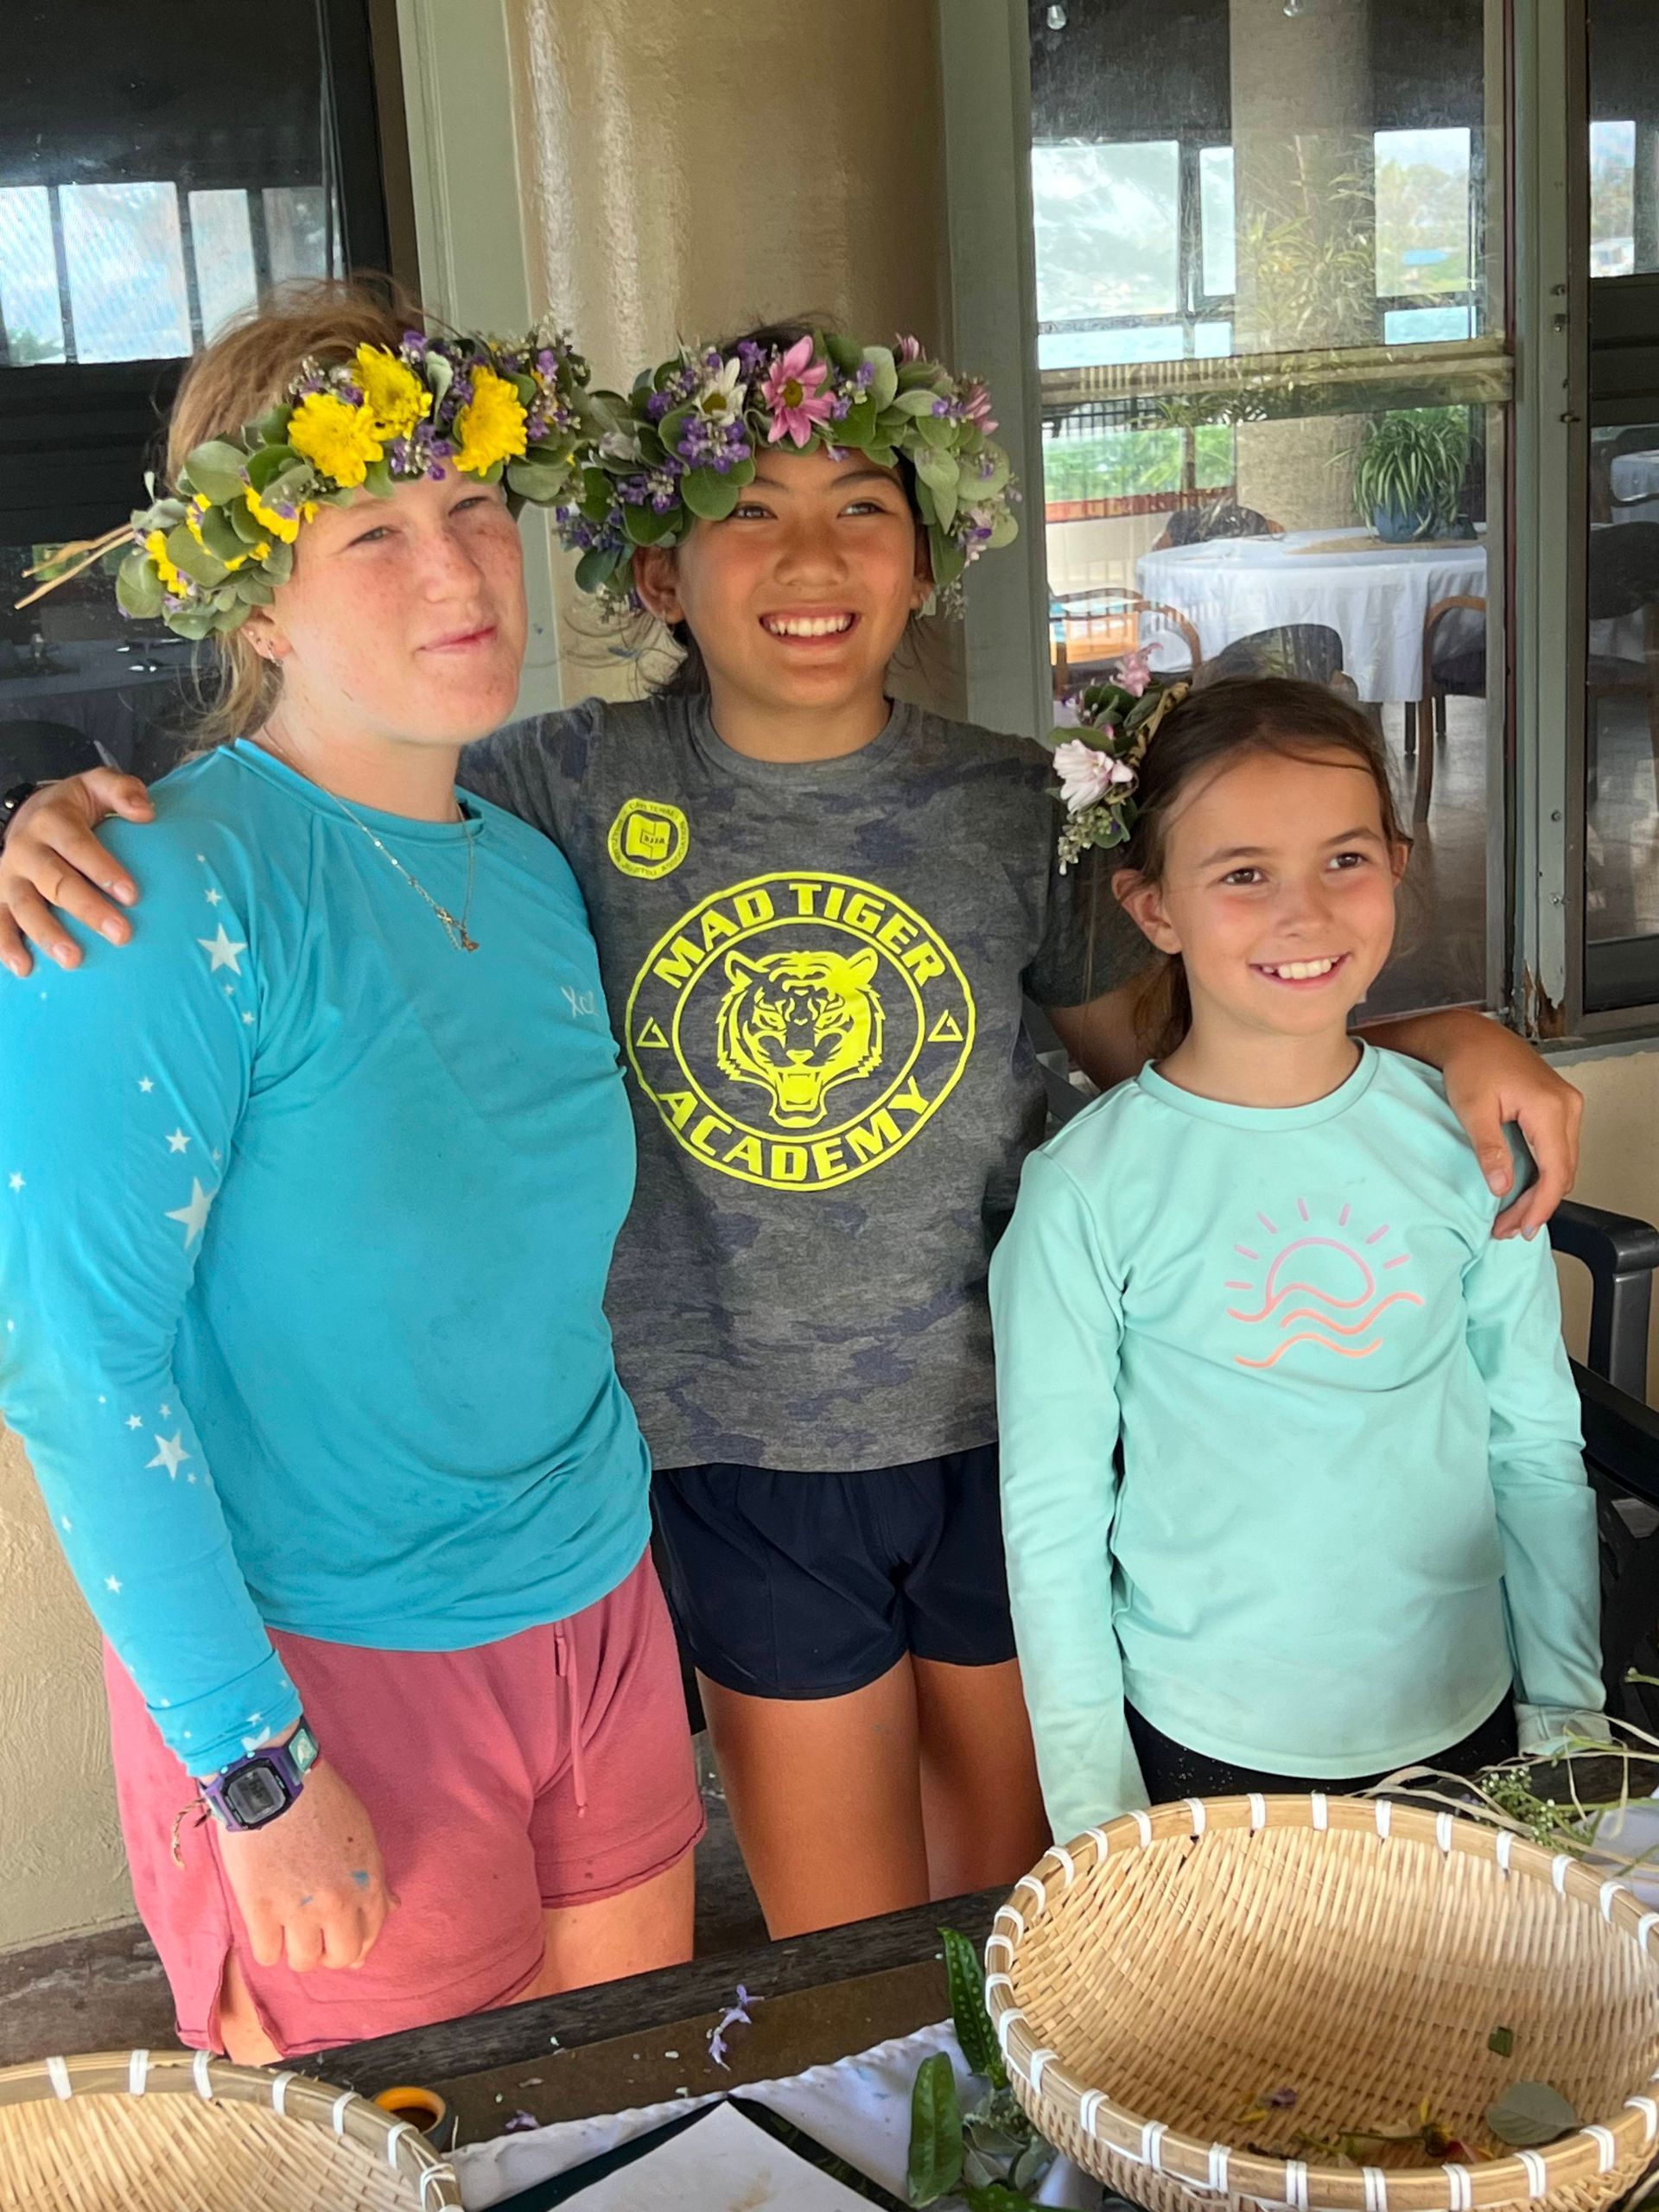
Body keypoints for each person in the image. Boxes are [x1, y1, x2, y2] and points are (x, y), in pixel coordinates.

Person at [0, 311, 1586, 1937]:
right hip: (732, 1460)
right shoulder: (549, 787)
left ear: (926, 562)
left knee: (1031, 1924)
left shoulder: (1016, 807)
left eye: (863, 511)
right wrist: (58, 819)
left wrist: (1437, 1034)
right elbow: (322, 796)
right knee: (851, 1964)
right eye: (747, 510)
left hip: (1006, 1433)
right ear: (657, 575)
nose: (809, 556)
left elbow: (1192, 1058)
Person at [0, 289, 702, 2061]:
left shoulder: (532, 866)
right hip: (333, 1674)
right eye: (372, 527)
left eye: (476, 507)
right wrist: (255, 1764)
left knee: (625, 2124)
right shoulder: (163, 893)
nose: (457, 568)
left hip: (596, 1606)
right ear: (250, 593)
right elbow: (78, 1367)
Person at [990, 676, 1605, 1841]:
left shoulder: (1473, 1146)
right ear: (1154, 906)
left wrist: (1567, 1713)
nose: (1305, 913)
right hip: (1203, 1746)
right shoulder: (1086, 1192)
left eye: (1344, 861)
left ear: (1399, 863)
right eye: (1242, 874)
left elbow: (1532, 1437)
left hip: (1463, 1719)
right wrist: (1095, 1812)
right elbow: (1055, 1516)